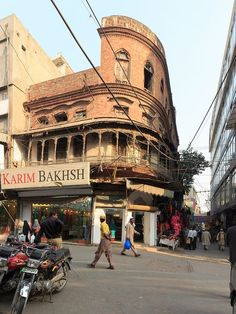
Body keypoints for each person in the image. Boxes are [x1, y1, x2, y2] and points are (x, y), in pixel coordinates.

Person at [226, 225, 236, 297]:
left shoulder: (230, 229)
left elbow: (227, 243)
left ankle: (233, 293)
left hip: (233, 257)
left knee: (233, 275)